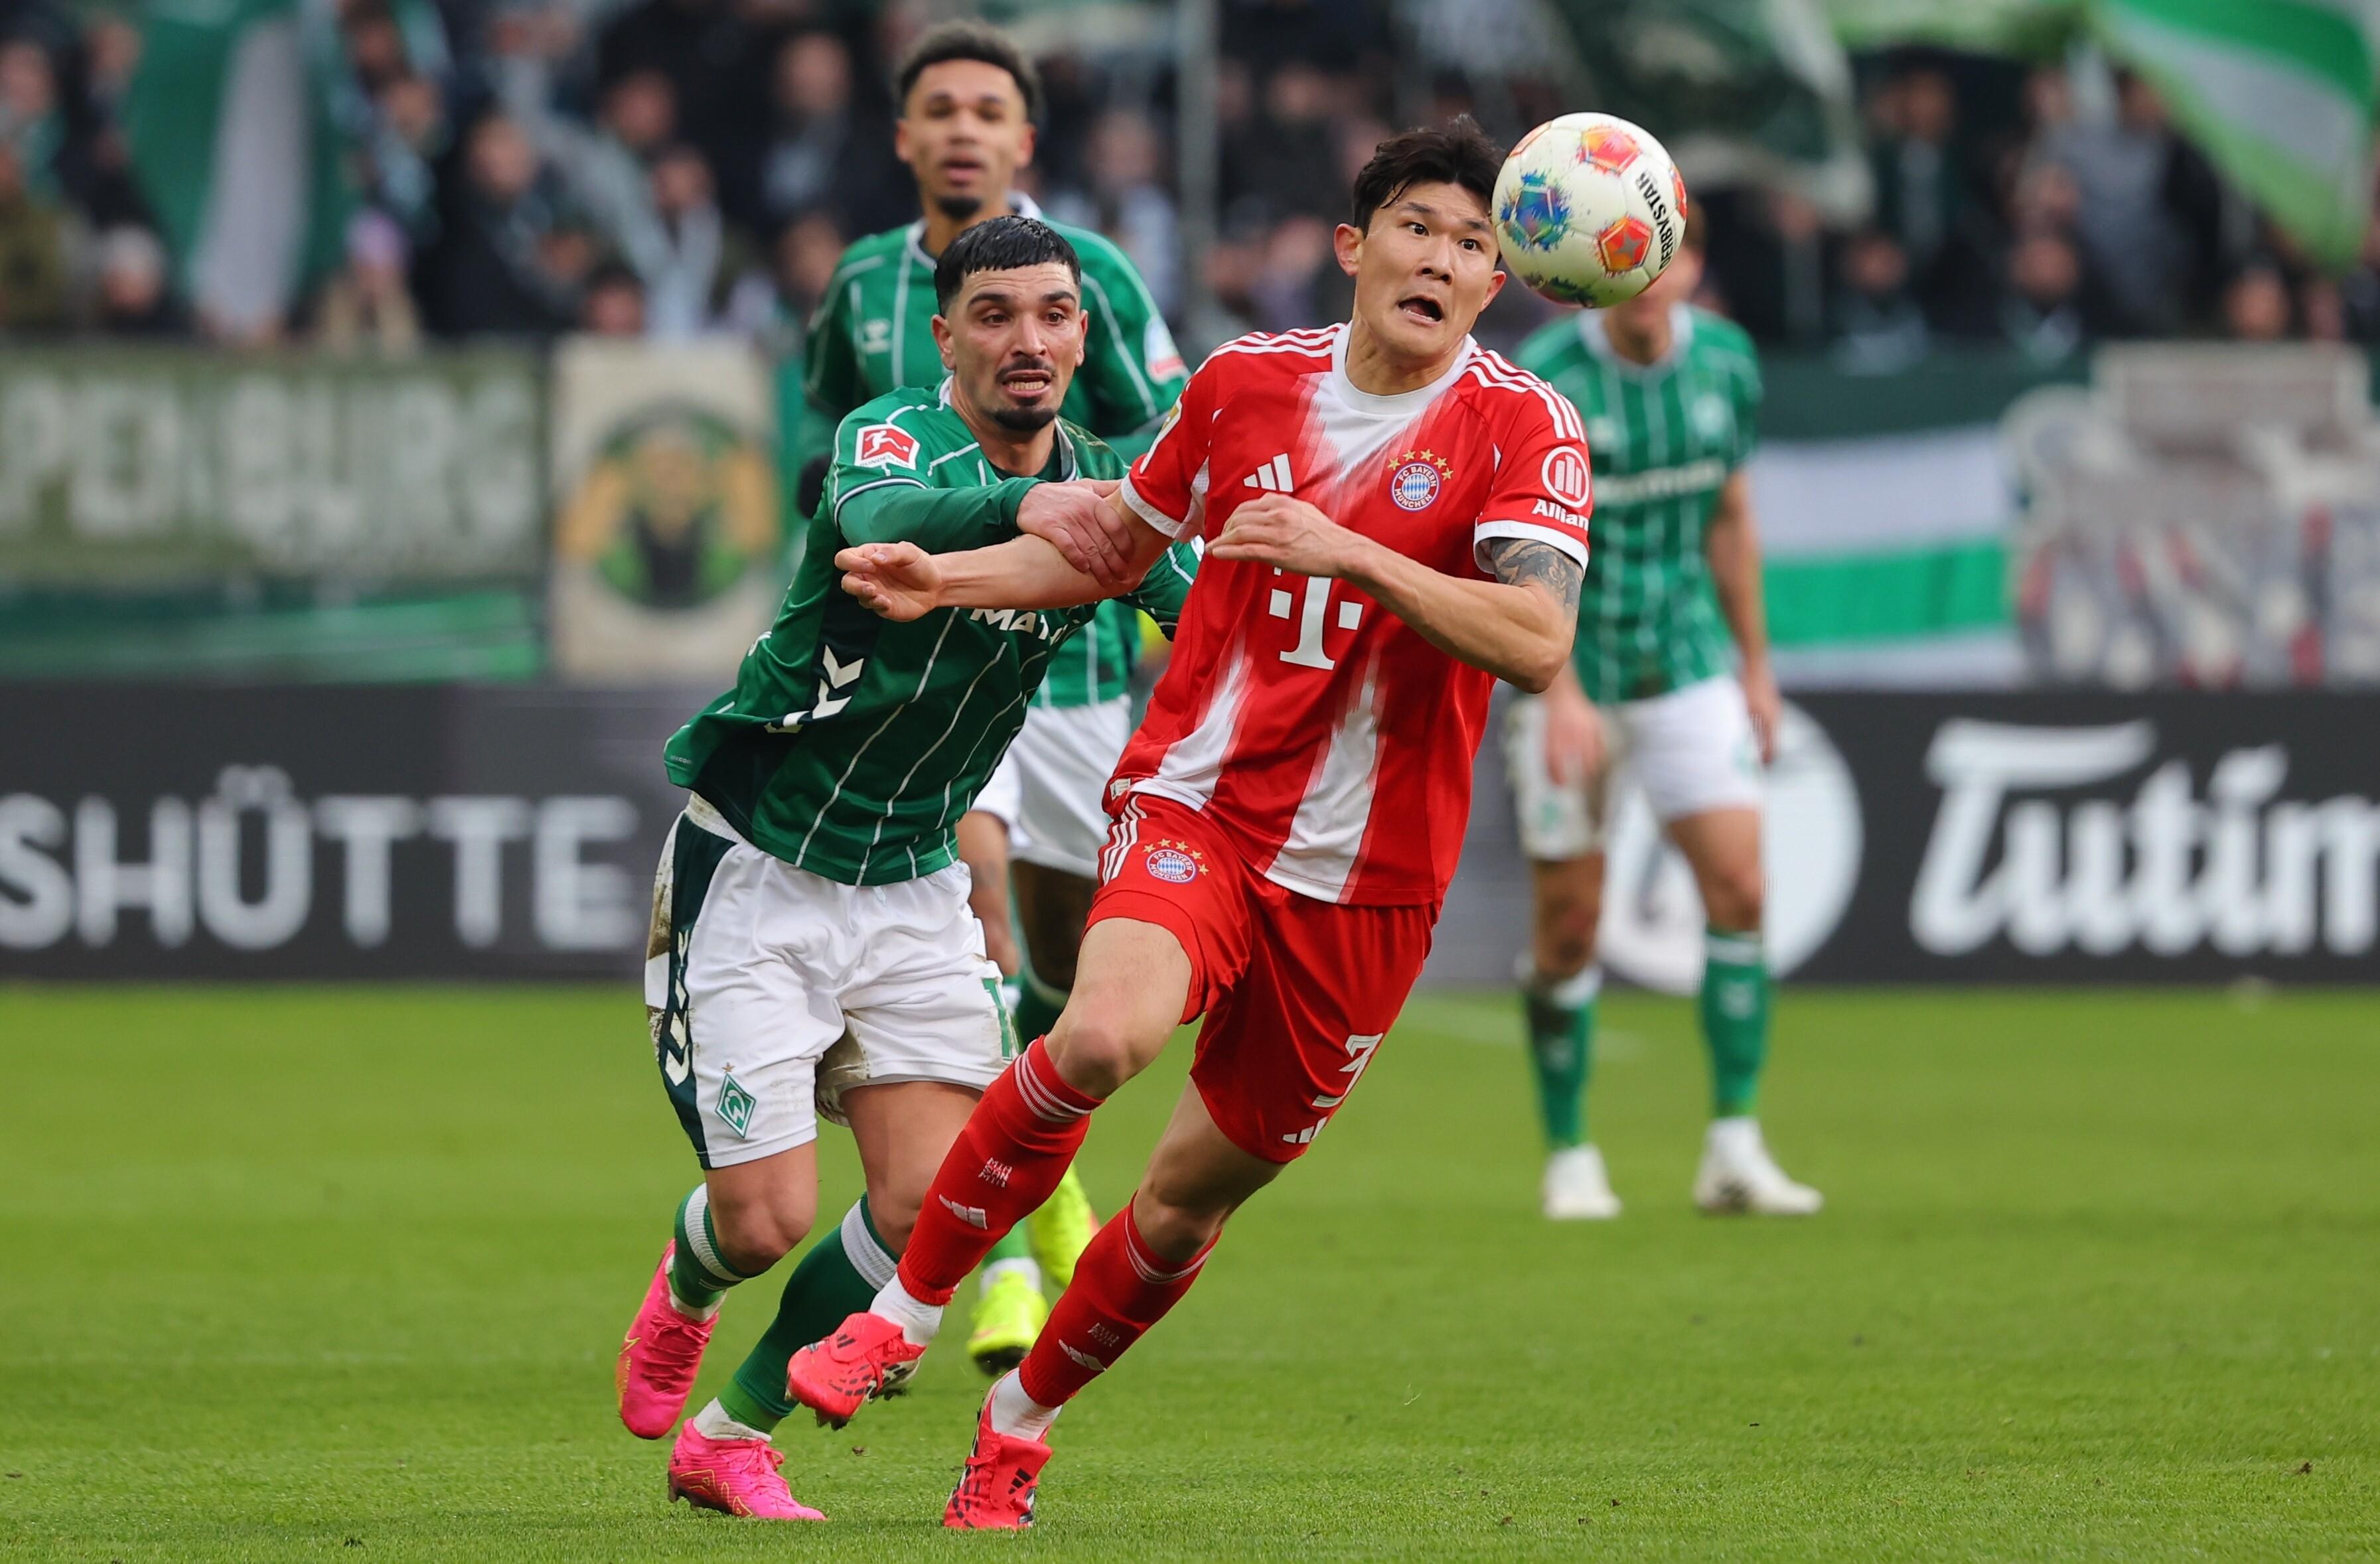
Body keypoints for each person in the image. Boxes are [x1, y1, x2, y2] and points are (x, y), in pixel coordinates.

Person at [794, 118, 1592, 1529]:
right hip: (1201, 803)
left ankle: (1018, 1419)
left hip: (1369, 881)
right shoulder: (1240, 385)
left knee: (1179, 1207)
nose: (1442, 257)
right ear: (1354, 250)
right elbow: (1111, 544)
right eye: (1416, 226)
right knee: (1098, 1035)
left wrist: (1349, 550)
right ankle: (903, 1314)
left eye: (1473, 244)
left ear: (1497, 282)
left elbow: (1532, 638)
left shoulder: (1523, 428)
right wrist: (950, 575)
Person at [611, 215, 1197, 1522]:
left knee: (940, 1206)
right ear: (946, 339)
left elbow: (1199, 606)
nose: (1027, 338)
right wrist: (1021, 502)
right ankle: (692, 1286)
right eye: (993, 315)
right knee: (761, 1223)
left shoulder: (1112, 485)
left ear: (1081, 333)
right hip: (760, 868)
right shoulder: (892, 437)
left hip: (917, 885)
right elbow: (876, 514)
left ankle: (728, 1436)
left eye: (1051, 313)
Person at [794, 18, 1191, 1372]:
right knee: (981, 942)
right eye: (938, 110)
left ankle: (1049, 1177)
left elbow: (1167, 439)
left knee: (1067, 987)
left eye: (987, 111)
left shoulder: (1100, 282)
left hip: (1070, 665)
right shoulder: (857, 287)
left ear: (1024, 140)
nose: (962, 129)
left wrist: (1116, 545)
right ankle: (1007, 1257)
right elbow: (827, 450)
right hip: (922, 678)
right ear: (902, 138)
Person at [1503, 209, 1821, 1222]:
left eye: (1669, 254)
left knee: (1739, 883)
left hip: (1686, 663)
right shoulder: (1547, 372)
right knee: (1571, 924)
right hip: (1570, 668)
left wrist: (1757, 670)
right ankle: (1568, 1152)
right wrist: (1555, 693)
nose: (1651, 274)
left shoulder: (1726, 362)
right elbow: (1508, 547)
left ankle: (1733, 1142)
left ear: (1691, 267)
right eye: (1628, 255)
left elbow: (1729, 514)